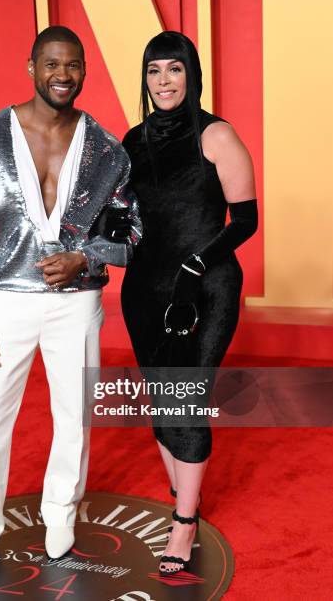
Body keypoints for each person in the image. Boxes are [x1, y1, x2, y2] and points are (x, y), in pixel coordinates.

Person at [0, 25, 141, 580]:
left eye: (73, 65)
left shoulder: (106, 149)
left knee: (74, 419)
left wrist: (86, 258)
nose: (63, 75)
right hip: (3, 302)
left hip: (76, 303)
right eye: (52, 64)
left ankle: (62, 516)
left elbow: (135, 234)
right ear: (31, 66)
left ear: (84, 71)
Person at [121, 31, 258, 575]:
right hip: (144, 289)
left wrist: (196, 265)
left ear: (191, 74)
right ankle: (186, 494)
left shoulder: (218, 135)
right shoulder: (131, 141)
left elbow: (244, 221)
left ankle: (184, 522)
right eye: (154, 71)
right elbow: (129, 216)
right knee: (162, 398)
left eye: (174, 70)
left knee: (185, 398)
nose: (163, 81)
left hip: (205, 287)